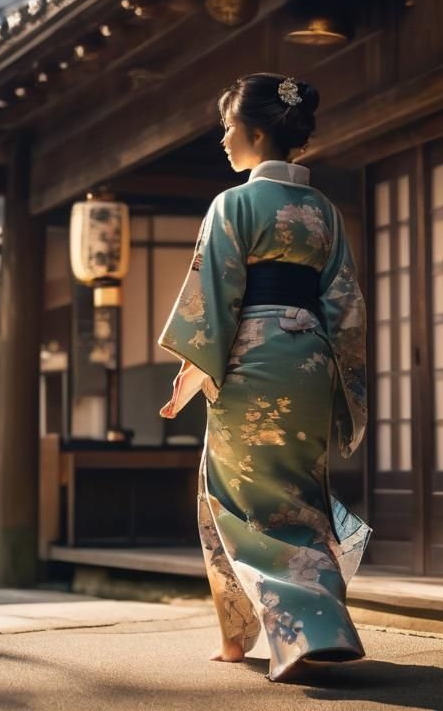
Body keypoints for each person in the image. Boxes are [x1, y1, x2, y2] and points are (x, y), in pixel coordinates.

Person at [157, 73, 371, 682]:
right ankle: (320, 623)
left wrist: (191, 376)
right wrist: (339, 381)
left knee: (234, 499)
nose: (222, 139)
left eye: (228, 127)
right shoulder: (323, 211)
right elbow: (346, 307)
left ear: (254, 132)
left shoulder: (234, 204)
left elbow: (213, 300)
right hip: (308, 365)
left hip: (250, 361)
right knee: (298, 497)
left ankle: (270, 637)